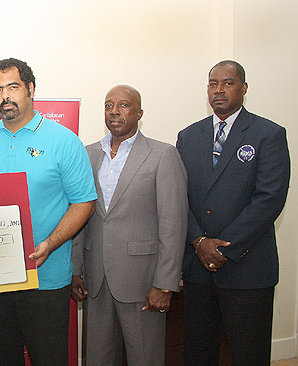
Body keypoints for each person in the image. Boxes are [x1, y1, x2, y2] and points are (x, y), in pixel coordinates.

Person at [0, 58, 97, 365]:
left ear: (31, 89)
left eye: (13, 87)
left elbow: (84, 202)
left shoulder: (64, 141)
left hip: (45, 280)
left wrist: (50, 243)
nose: (5, 96)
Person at [176, 60, 290, 365]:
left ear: (244, 88)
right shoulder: (189, 136)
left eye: (227, 83)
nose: (219, 90)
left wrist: (224, 247)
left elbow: (269, 199)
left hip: (247, 266)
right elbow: (178, 199)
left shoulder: (269, 134)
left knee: (248, 353)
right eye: (213, 84)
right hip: (198, 267)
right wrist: (199, 241)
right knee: (198, 351)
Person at [71, 85, 188, 365]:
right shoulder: (87, 155)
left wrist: (165, 283)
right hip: (96, 278)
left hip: (143, 280)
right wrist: (75, 269)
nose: (114, 111)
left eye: (123, 105)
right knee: (98, 358)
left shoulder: (162, 155)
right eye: (108, 105)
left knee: (144, 358)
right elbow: (77, 215)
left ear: (139, 112)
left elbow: (174, 223)